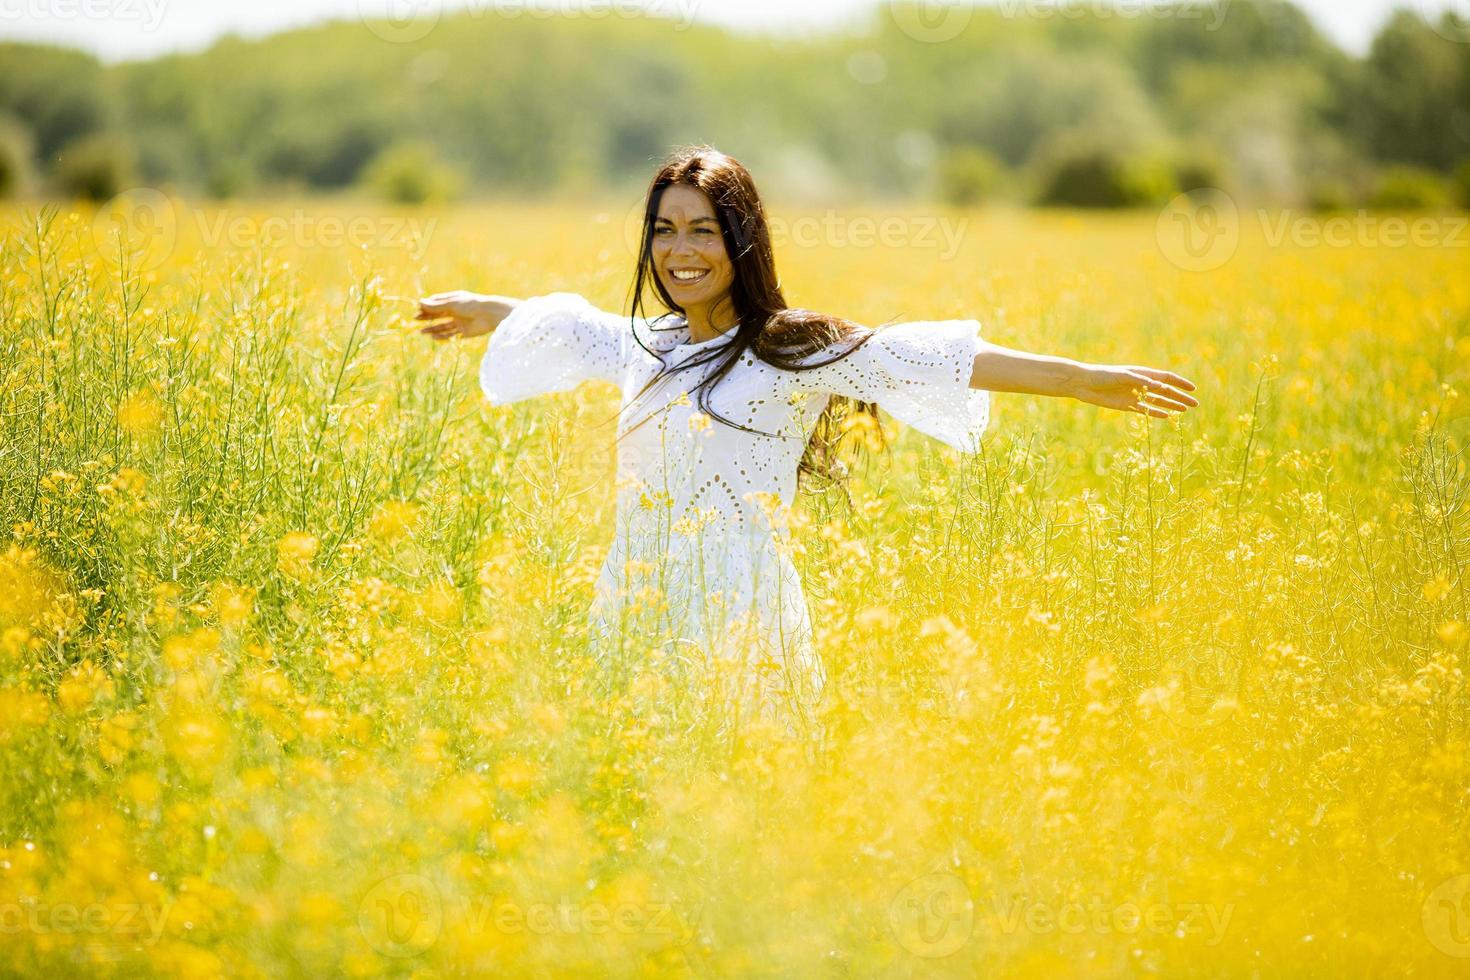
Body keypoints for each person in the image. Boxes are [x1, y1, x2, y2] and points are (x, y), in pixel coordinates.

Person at [416, 145, 1198, 733]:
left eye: (702, 231)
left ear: (742, 239)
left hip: (743, 613)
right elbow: (580, 328)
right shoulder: (648, 344)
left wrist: (1082, 379)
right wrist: (491, 307)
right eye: (663, 231)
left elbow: (926, 354)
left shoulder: (791, 345)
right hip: (634, 600)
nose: (679, 252)